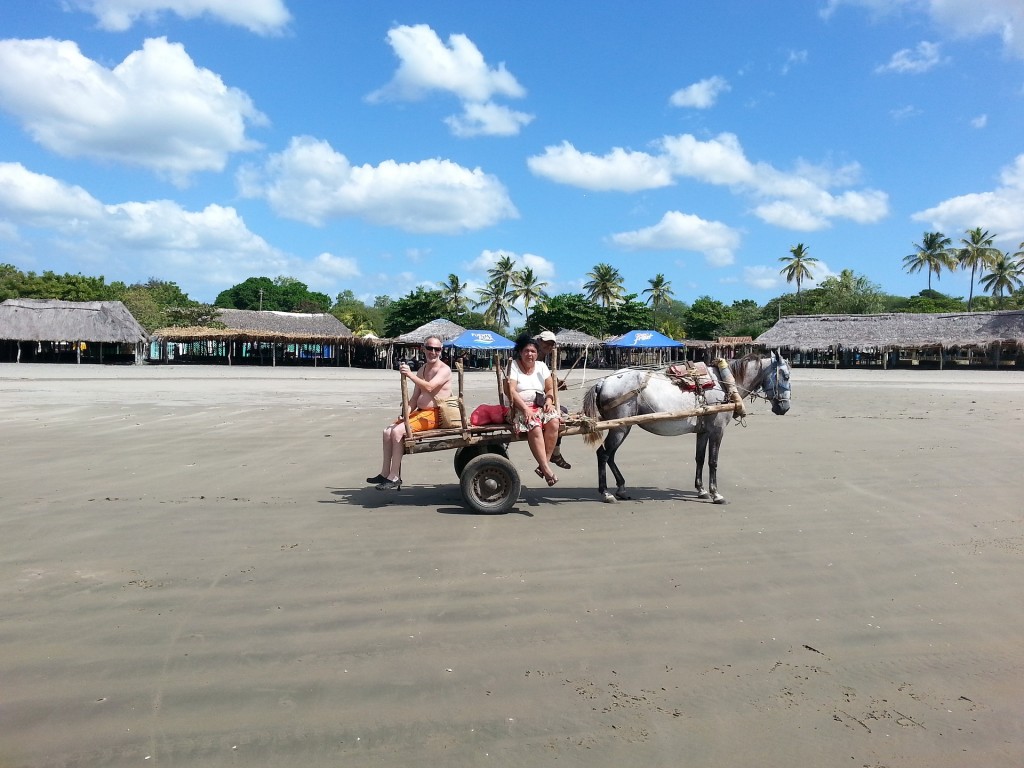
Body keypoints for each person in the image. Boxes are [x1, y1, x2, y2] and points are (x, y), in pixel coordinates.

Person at [368, 336, 452, 490]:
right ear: (423, 349)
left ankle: (395, 476)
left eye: (437, 349)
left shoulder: (444, 370)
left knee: (397, 432)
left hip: (436, 414)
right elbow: (414, 399)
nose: (433, 352)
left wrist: (410, 375)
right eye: (430, 348)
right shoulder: (422, 370)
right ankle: (385, 472)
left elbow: (430, 387)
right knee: (387, 431)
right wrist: (405, 414)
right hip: (421, 412)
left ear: (441, 351)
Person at [506, 333, 560, 486]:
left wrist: (549, 401)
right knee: (534, 425)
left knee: (554, 422)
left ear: (537, 353)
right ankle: (546, 469)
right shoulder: (513, 366)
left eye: (533, 351)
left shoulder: (542, 366)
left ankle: (543, 465)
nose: (530, 354)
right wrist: (525, 409)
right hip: (518, 408)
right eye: (526, 351)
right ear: (520, 352)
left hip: (540, 406)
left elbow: (550, 388)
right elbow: (511, 391)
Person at [534, 330, 571, 470]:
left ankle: (554, 452)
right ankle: (552, 454)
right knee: (561, 414)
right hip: (531, 398)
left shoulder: (542, 358)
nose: (549, 346)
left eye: (551, 344)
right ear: (539, 341)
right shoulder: (533, 355)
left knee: (562, 411)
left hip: (540, 396)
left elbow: (544, 378)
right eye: (546, 343)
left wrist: (556, 383)